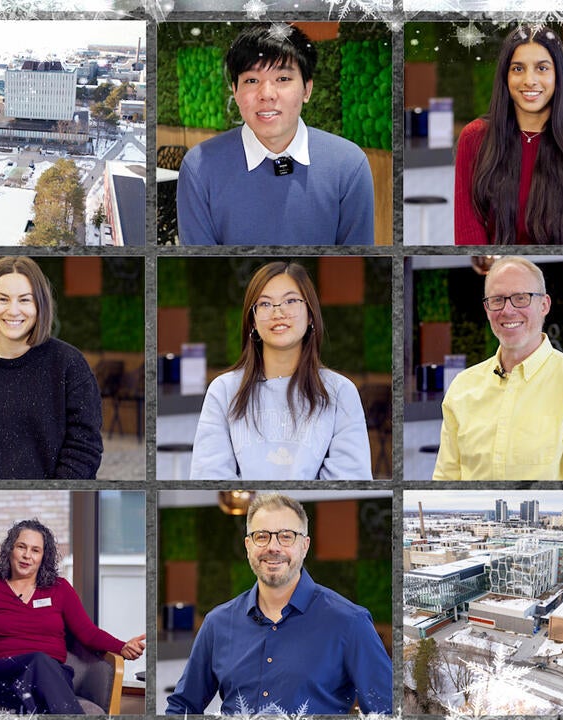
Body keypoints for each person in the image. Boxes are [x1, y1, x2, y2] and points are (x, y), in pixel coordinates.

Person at [166, 493, 392, 714]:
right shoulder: (217, 623)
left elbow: (387, 711)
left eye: (286, 536)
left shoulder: (350, 623)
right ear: (248, 546)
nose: (273, 547)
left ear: (304, 545)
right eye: (262, 536)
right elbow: (182, 707)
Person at [0, 520, 146, 714]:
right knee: (38, 661)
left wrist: (122, 646)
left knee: (40, 672)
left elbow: (87, 632)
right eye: (21, 547)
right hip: (0, 676)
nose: (27, 556)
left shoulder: (60, 588)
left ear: (44, 557)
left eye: (35, 550)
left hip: (49, 677)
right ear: (10, 549)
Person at [177, 23, 374, 245]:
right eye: (252, 80)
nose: (267, 94)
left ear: (307, 89)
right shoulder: (200, 167)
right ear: (235, 90)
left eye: (283, 79)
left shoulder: (348, 164)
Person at [432, 256, 563, 479]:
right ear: (487, 308)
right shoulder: (462, 386)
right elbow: (445, 481)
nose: (507, 311)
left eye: (521, 298)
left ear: (544, 305)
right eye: (497, 300)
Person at [189, 262, 372, 480]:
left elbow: (351, 477)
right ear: (253, 321)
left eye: (290, 301)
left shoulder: (340, 391)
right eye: (265, 304)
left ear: (311, 314)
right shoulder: (224, 390)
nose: (278, 312)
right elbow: (209, 475)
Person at [0, 256, 103, 479]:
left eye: (24, 300)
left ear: (39, 304)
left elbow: (85, 446)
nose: (13, 311)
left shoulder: (69, 364)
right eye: (3, 299)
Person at [454, 26, 563, 245]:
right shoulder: (474, 138)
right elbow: (469, 236)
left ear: (558, 75)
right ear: (505, 76)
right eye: (518, 69)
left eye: (542, 68)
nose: (529, 80)